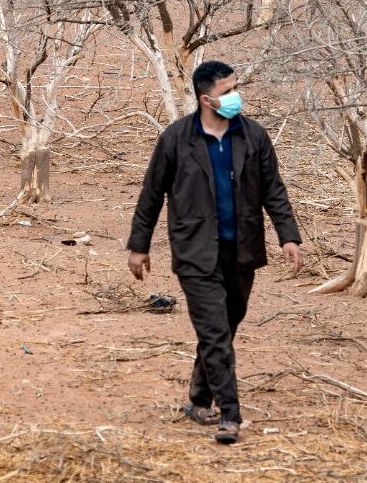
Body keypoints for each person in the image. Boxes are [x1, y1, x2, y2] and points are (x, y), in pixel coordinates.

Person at [127, 60, 302, 445]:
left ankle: (199, 396)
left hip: (241, 250)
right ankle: (231, 414)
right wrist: (138, 245)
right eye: (228, 91)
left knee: (228, 322)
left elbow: (274, 188)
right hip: (194, 252)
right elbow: (151, 194)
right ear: (207, 99)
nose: (236, 97)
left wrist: (288, 236)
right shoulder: (175, 139)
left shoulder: (253, 136)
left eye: (236, 88)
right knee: (215, 331)